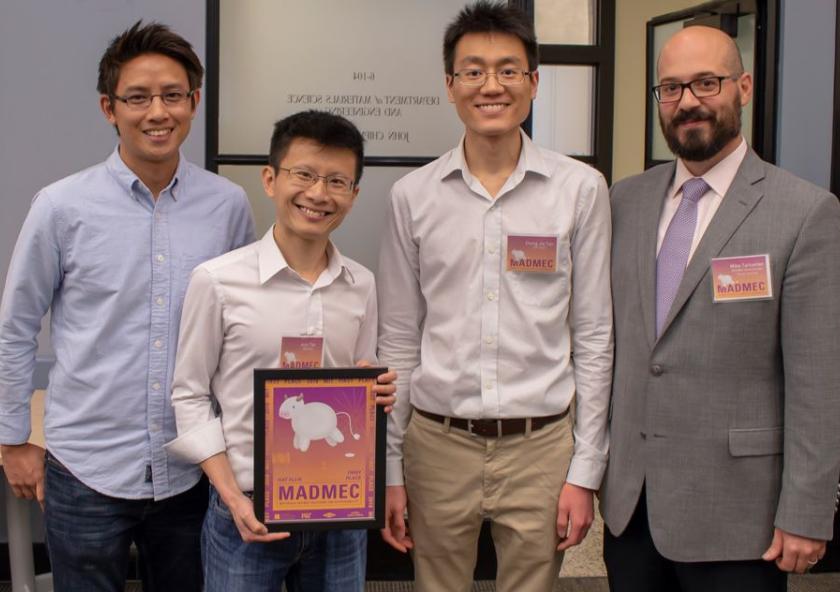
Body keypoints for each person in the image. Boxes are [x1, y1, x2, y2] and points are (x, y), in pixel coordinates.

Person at [0, 20, 254, 592]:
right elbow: (15, 327)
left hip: (192, 468)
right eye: (137, 97)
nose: (156, 112)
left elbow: (244, 326)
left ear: (194, 101)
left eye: (171, 95)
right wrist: (13, 438)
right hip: (84, 466)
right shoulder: (62, 206)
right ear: (108, 108)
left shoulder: (228, 206)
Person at [376, 2, 613, 591]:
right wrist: (392, 467)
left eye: (509, 70)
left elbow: (593, 335)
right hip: (436, 442)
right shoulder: (413, 196)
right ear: (450, 86)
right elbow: (400, 338)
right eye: (473, 70)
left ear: (533, 82)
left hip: (541, 445)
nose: (491, 85)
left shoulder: (580, 190)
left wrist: (585, 471)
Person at [601, 25, 840, 592]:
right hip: (633, 511)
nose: (688, 102)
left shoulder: (804, 212)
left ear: (744, 87)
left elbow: (818, 380)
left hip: (740, 516)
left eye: (706, 83)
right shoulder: (624, 201)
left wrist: (807, 510)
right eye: (671, 88)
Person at [165, 110, 396, 592]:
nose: (318, 194)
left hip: (341, 510)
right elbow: (188, 395)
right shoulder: (218, 281)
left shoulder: (362, 285)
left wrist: (376, 392)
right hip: (245, 508)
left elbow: (362, 376)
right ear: (270, 180)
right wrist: (230, 495)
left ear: (353, 196)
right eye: (304, 175)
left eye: (337, 181)